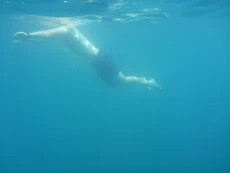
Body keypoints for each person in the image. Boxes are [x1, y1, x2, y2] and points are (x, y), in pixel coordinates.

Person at [13, 23, 161, 89]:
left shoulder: (66, 31)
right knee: (117, 83)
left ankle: (147, 82)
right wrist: (28, 40)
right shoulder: (67, 29)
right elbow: (49, 37)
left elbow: (48, 34)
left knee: (120, 81)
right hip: (98, 59)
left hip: (99, 60)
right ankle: (145, 82)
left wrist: (28, 36)